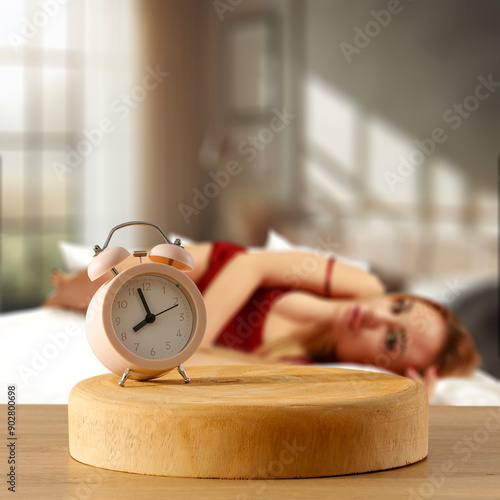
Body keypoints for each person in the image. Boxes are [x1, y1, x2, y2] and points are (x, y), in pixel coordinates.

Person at [44, 240, 481, 400]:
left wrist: (407, 397)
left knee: (111, 313)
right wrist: (188, 338)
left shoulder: (300, 369)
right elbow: (252, 266)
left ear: (382, 367)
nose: (375, 315)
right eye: (399, 307)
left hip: (177, 323)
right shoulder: (363, 287)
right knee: (89, 288)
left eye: (392, 339)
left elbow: (198, 372)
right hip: (208, 268)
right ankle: (64, 286)